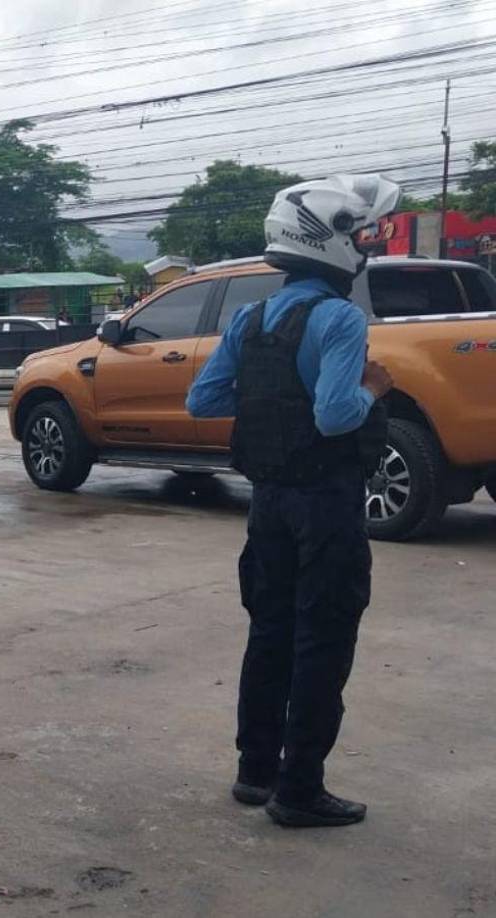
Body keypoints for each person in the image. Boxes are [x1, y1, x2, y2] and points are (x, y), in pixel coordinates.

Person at [186, 174, 400, 828]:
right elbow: (338, 417)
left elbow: (204, 400)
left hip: (269, 503)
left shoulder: (250, 318)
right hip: (325, 504)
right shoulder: (339, 317)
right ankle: (299, 790)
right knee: (323, 641)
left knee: (270, 633)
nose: (369, 245)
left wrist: (266, 397)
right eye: (364, 234)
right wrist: (374, 388)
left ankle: (256, 772)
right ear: (330, 243)